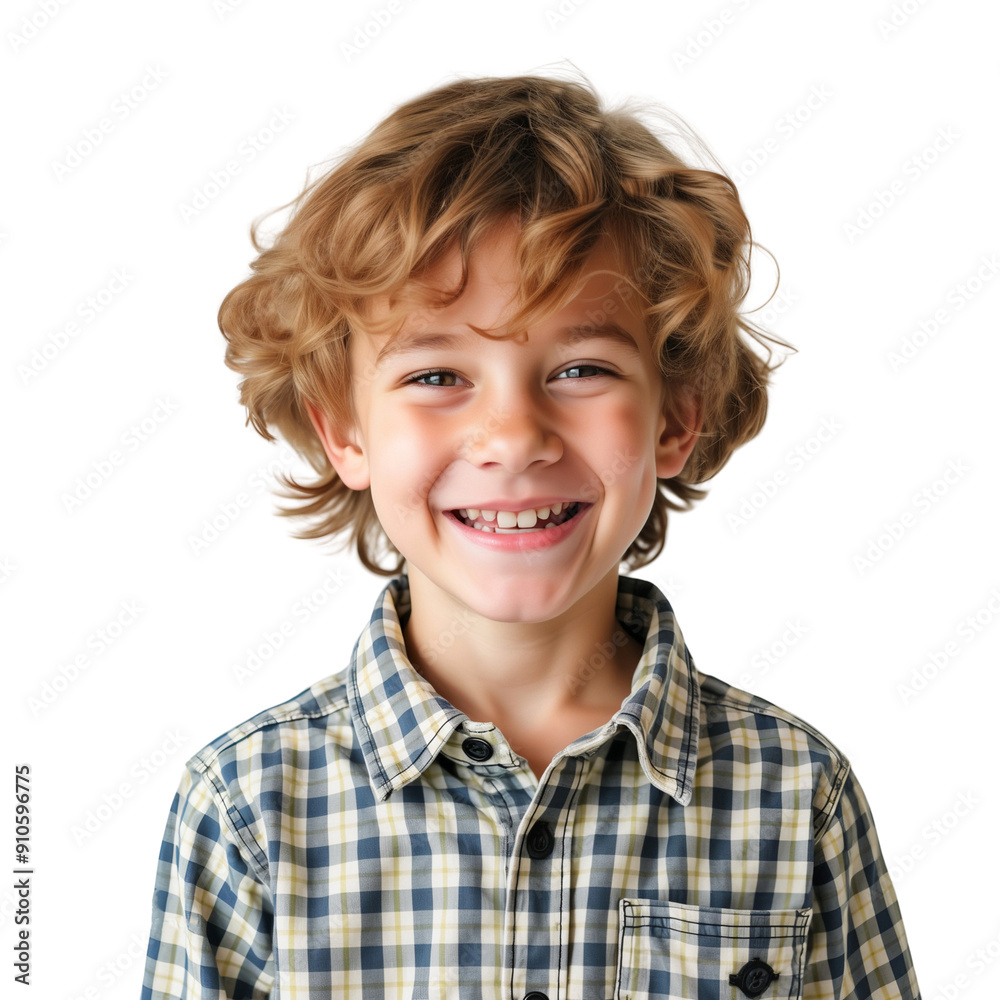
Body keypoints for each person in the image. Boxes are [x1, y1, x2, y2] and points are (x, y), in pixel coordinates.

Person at [140, 70, 921, 999]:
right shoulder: (247, 808)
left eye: (582, 367)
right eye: (437, 376)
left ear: (675, 418)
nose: (513, 437)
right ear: (344, 431)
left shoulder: (798, 798)